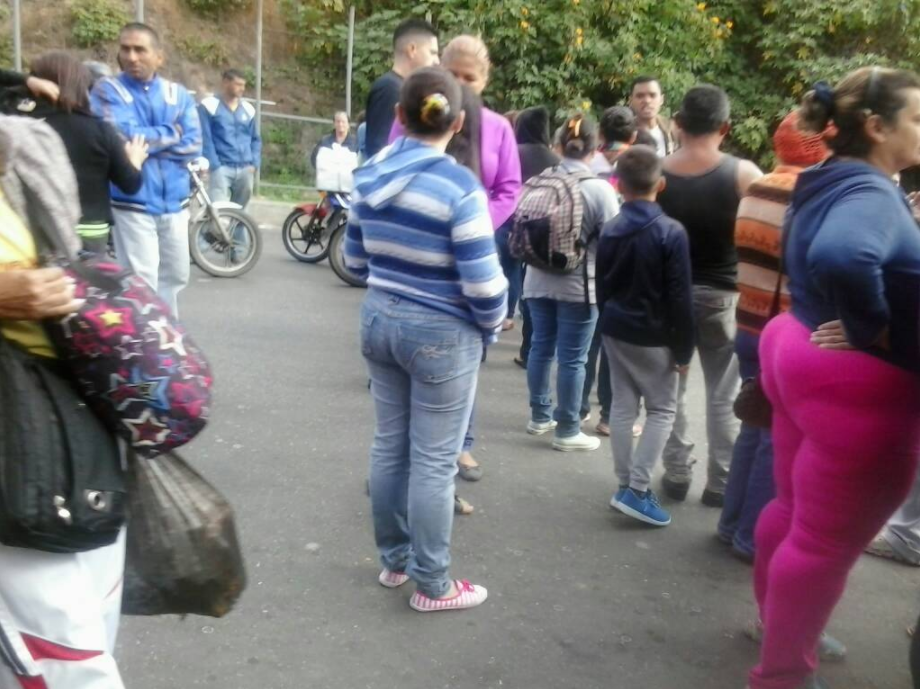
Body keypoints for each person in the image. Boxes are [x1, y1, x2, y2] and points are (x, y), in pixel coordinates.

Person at [750, 66, 920, 689]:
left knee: (794, 512)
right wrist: (870, 323)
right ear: (876, 127)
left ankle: (780, 626)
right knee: (822, 543)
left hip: (798, 347)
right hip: (858, 383)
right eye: (917, 118)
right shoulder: (872, 194)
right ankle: (783, 673)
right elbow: (843, 255)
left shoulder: (829, 176)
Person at [344, 67, 507, 612]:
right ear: (458, 123)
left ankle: (394, 562)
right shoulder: (461, 187)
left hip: (377, 319)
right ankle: (432, 585)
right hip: (441, 333)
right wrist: (492, 323)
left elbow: (353, 260)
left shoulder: (367, 174)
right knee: (435, 461)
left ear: (398, 116)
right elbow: (484, 284)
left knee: (390, 445)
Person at [0, 114, 127, 688]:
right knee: (69, 663)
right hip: (15, 451)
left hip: (75, 416)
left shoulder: (20, 136)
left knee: (94, 620)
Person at [392, 35, 522, 480]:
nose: (462, 83)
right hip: (417, 258)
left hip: (473, 251)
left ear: (484, 80)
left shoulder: (499, 128)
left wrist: (476, 220)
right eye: (454, 75)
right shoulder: (411, 120)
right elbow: (390, 170)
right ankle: (414, 460)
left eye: (471, 77)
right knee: (413, 362)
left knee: (468, 355)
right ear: (439, 72)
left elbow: (509, 188)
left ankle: (459, 444)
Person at [717, 110, 829, 562]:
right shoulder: (809, 195)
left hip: (747, 321)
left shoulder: (758, 186)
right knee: (774, 436)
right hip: (780, 331)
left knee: (753, 424)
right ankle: (751, 538)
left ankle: (730, 525)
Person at [657, 84, 763, 507]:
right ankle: (721, 482)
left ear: (678, 124)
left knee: (672, 391)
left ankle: (677, 472)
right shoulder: (744, 175)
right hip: (724, 297)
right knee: (724, 395)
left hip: (671, 299)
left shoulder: (657, 171)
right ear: (725, 126)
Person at [596, 145, 694, 527]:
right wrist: (684, 350)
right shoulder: (671, 232)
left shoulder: (610, 228)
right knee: (662, 408)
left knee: (623, 406)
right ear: (662, 184)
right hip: (655, 335)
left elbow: (602, 285)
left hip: (615, 327)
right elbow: (680, 297)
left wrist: (606, 320)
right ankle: (637, 489)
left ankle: (625, 484)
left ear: (619, 184)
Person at [523, 113, 620, 452]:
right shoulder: (599, 190)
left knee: (540, 347)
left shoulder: (540, 180)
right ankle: (566, 429)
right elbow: (612, 242)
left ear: (560, 146)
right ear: (595, 149)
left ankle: (539, 416)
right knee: (573, 359)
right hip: (578, 285)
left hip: (535, 280)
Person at [91, 22, 202, 317]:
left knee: (176, 277)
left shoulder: (177, 93)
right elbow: (118, 137)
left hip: (175, 204)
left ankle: (167, 339)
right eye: (125, 49)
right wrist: (173, 131)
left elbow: (194, 144)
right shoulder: (107, 90)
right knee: (141, 282)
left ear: (159, 57)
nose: (131, 56)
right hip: (133, 201)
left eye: (140, 49)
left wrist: (145, 143)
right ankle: (144, 346)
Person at [26, 51, 148, 255]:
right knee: (88, 286)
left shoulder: (23, 127)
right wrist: (135, 160)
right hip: (90, 231)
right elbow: (130, 184)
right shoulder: (100, 131)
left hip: (39, 228)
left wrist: (26, 81)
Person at [582, 104, 638, 437]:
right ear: (633, 134)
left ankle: (577, 409)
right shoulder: (641, 164)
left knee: (589, 341)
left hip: (592, 261)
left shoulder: (591, 164)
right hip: (627, 263)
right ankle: (609, 415)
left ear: (601, 134)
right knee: (615, 346)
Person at [512, 106, 560, 370]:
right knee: (532, 293)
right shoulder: (555, 160)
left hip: (510, 225)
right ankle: (529, 349)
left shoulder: (512, 154)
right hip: (542, 232)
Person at [364, 19, 439, 159]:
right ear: (412, 50)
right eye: (432, 52)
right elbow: (379, 150)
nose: (437, 61)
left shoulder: (401, 88)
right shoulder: (389, 89)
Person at [198, 68, 261, 209]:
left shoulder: (248, 109)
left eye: (243, 85)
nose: (242, 89)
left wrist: (254, 163)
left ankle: (239, 232)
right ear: (226, 83)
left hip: (245, 167)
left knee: (242, 215)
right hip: (221, 167)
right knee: (218, 211)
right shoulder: (209, 106)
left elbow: (255, 139)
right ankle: (209, 232)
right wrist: (214, 165)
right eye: (238, 84)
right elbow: (205, 138)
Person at [628, 76, 677, 157]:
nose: (647, 101)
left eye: (652, 95)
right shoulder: (623, 132)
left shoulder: (673, 130)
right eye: (640, 96)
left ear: (661, 99)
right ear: (631, 100)